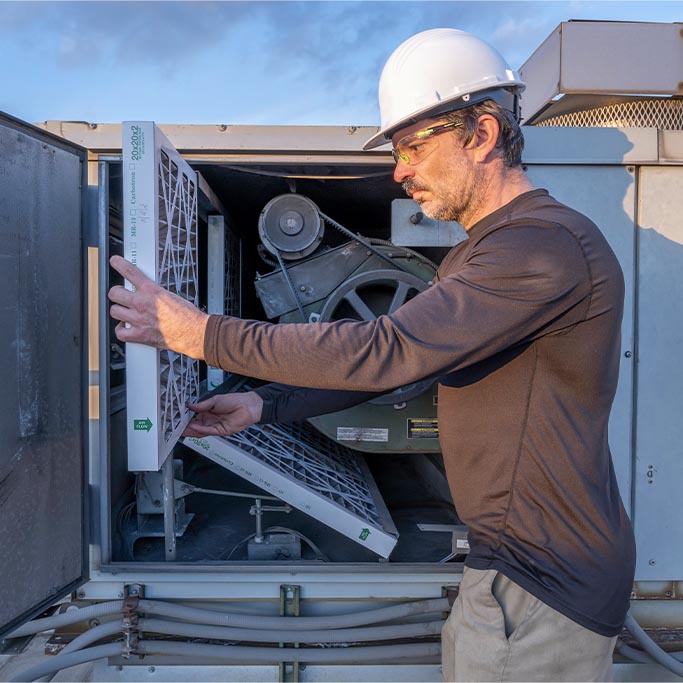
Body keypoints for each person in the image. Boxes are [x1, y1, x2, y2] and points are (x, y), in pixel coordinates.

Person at [109, 28, 635, 682]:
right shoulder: (493, 250)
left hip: (538, 587)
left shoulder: (541, 247)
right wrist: (261, 403)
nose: (399, 169)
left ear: (482, 134)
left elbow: (385, 350)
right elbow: (407, 365)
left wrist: (200, 334)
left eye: (414, 145)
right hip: (518, 575)